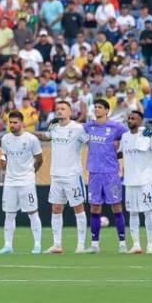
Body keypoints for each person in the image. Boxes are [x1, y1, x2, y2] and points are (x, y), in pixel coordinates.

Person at [38, 100, 89, 254]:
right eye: (57, 109)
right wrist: (26, 132)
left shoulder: (78, 128)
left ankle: (80, 245)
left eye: (63, 109)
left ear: (70, 111)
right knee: (56, 208)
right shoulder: (53, 128)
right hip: (56, 175)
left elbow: (91, 144)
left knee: (78, 208)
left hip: (73, 175)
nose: (59, 111)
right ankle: (57, 244)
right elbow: (44, 136)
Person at [0, 110, 43, 255]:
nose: (12, 125)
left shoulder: (31, 139)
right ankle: (8, 246)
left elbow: (40, 159)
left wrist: (31, 172)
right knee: (9, 214)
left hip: (26, 181)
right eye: (10, 122)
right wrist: (3, 161)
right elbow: (4, 155)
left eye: (15, 122)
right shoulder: (5, 139)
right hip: (10, 182)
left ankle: (37, 244)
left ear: (22, 123)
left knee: (32, 212)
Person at [84, 99, 128, 252]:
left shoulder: (116, 127)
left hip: (111, 174)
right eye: (95, 107)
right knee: (94, 208)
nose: (96, 109)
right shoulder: (89, 126)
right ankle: (95, 245)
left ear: (107, 111)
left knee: (116, 207)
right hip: (94, 173)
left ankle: (122, 244)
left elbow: (130, 139)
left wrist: (120, 150)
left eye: (100, 107)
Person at [119, 109, 152, 255]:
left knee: (148, 212)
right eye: (129, 118)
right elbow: (119, 153)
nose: (130, 120)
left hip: (145, 180)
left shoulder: (148, 134)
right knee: (132, 213)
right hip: (129, 181)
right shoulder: (124, 136)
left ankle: (150, 244)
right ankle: (136, 244)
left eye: (134, 118)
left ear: (140, 121)